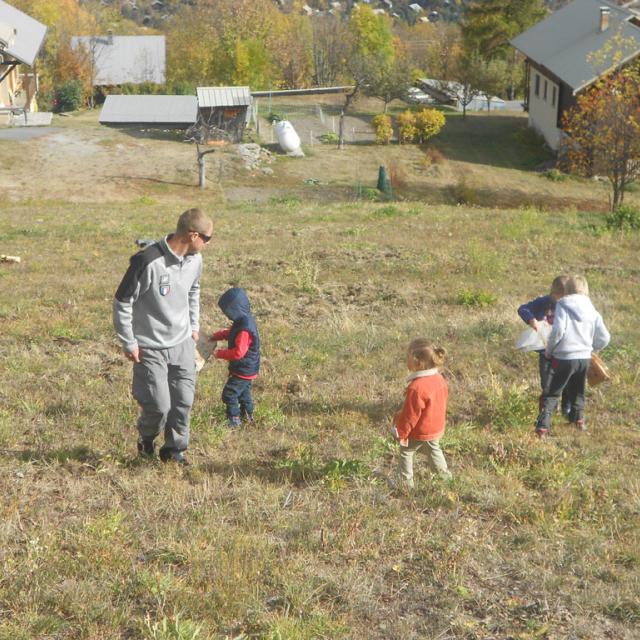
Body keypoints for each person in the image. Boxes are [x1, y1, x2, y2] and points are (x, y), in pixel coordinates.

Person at [113, 208, 213, 464]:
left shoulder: (195, 261)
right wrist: (129, 341)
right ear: (193, 235)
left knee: (183, 402)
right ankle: (146, 440)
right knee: (159, 406)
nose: (207, 244)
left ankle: (174, 450)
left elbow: (194, 290)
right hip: (150, 348)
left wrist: (193, 326)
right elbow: (123, 301)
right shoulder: (147, 261)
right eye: (207, 238)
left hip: (182, 343)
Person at [535, 275, 610, 437]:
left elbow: (558, 331)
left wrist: (550, 349)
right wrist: (591, 348)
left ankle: (542, 427)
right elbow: (605, 337)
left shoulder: (563, 304)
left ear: (567, 290)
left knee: (552, 392)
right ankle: (578, 421)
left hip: (564, 357)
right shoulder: (592, 308)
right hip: (584, 358)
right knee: (578, 390)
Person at [391, 338, 452, 488]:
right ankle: (445, 478)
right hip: (435, 427)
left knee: (406, 451)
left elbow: (410, 415)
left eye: (408, 357)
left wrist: (401, 432)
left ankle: (404, 483)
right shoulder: (439, 379)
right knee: (433, 450)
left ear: (418, 363)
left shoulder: (416, 388)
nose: (406, 360)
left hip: (420, 429)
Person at [517, 275, 569, 412]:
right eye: (560, 296)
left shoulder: (570, 306)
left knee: (565, 382)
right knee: (546, 382)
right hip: (545, 351)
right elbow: (523, 309)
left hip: (564, 352)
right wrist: (531, 319)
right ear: (554, 293)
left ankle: (566, 407)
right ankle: (547, 409)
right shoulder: (544, 302)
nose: (562, 300)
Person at [211, 287, 260, 428]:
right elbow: (232, 333)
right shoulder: (243, 320)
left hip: (243, 369)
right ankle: (248, 416)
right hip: (248, 368)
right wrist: (216, 336)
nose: (227, 315)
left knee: (229, 393)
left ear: (235, 309)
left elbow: (238, 353)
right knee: (244, 393)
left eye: (228, 312)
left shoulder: (244, 329)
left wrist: (219, 354)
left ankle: (234, 420)